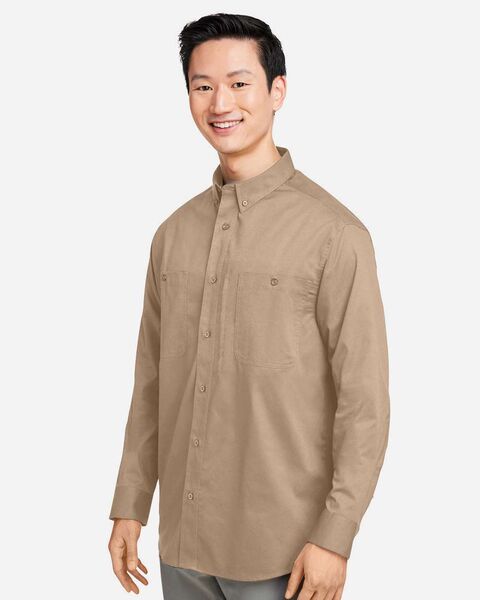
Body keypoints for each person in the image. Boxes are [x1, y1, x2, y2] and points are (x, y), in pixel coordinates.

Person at [107, 12, 390, 600]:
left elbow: (364, 402)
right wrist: (131, 504)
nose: (220, 103)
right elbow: (151, 384)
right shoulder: (171, 235)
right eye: (202, 86)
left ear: (276, 90)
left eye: (239, 83)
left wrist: (336, 536)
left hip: (283, 552)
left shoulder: (335, 235)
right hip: (181, 546)